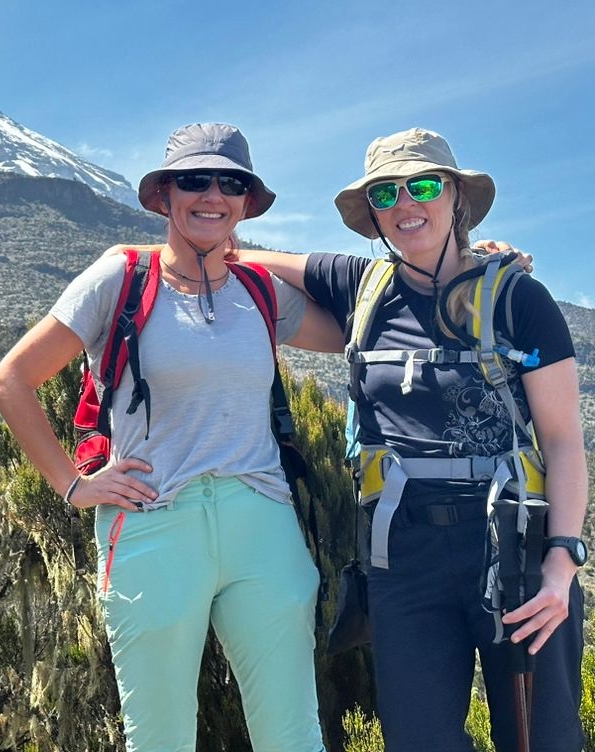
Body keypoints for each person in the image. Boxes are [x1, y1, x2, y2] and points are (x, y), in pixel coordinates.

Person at [0, 122, 343, 752]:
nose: (212, 194)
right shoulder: (119, 276)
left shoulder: (261, 292)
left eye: (230, 182)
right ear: (165, 195)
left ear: (246, 200)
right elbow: (10, 381)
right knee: (159, 738)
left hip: (260, 521)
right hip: (153, 523)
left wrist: (466, 266)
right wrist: (72, 485)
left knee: (293, 735)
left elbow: (362, 330)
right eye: (194, 180)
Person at [240, 128, 588, 752]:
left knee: (540, 737)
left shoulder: (519, 299)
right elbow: (241, 257)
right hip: (401, 556)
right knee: (418, 738)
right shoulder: (361, 288)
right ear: (370, 212)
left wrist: (561, 566)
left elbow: (563, 440)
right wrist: (134, 257)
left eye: (423, 185)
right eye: (385, 194)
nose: (405, 204)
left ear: (457, 197)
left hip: (517, 549)